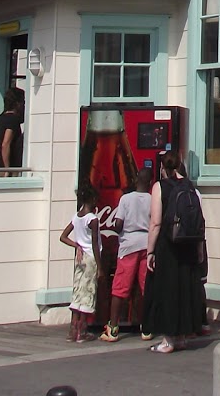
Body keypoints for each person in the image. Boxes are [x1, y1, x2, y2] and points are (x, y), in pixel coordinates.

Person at [142, 151, 206, 354]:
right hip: (188, 244)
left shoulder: (160, 186)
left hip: (168, 245)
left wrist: (150, 251)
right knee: (185, 290)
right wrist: (199, 249)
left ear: (162, 167)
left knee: (167, 291)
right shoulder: (190, 186)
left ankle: (168, 339)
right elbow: (199, 221)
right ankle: (182, 337)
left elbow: (155, 222)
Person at [100, 169, 153, 342]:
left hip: (128, 245)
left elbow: (119, 224)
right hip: (146, 244)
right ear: (150, 182)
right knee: (144, 288)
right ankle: (146, 328)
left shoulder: (125, 199)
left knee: (120, 287)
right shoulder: (153, 199)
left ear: (136, 179)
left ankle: (113, 328)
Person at [59, 186, 100, 342]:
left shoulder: (76, 217)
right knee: (88, 293)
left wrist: (76, 245)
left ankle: (72, 330)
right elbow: (95, 245)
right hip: (91, 258)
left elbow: (63, 236)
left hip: (80, 258)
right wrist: (100, 267)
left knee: (77, 291)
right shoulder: (92, 219)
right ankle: (82, 330)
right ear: (92, 200)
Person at [0, 87, 25, 173]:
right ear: (17, 103)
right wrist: (7, 169)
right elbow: (5, 144)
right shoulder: (13, 119)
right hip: (8, 168)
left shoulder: (1, 117)